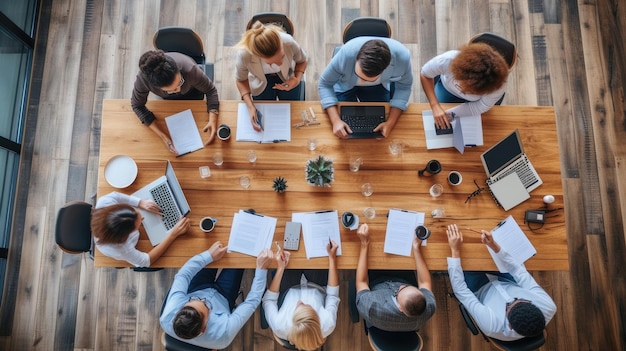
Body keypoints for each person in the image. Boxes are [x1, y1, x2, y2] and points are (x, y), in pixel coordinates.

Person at [445, 224, 557, 341]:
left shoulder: (491, 326)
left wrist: (455, 250)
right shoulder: (547, 306)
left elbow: (461, 291)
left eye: (508, 306)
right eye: (517, 299)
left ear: (510, 326)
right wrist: (494, 246)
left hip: (480, 289)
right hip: (507, 280)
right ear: (533, 305)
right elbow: (518, 271)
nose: (510, 300)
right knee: (489, 251)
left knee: (464, 259)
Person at [160, 242, 273, 349]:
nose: (204, 300)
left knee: (214, 247)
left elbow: (183, 275)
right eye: (206, 306)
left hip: (197, 287)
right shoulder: (224, 332)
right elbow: (252, 301)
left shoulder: (170, 313)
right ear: (204, 329)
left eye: (194, 300)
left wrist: (208, 256)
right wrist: (262, 269)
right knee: (239, 255)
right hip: (224, 296)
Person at [318, 37, 413, 139]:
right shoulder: (346, 53)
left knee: (379, 121)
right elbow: (324, 83)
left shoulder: (402, 59)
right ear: (356, 58)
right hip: (345, 86)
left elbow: (404, 87)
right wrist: (335, 120)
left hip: (378, 87)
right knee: (343, 124)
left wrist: (390, 123)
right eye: (358, 74)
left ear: (385, 69)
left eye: (368, 79)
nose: (362, 82)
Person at [131, 50, 220, 153]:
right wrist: (164, 137)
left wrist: (213, 120)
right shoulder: (143, 79)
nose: (178, 90)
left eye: (180, 82)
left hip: (194, 94)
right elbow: (137, 105)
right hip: (168, 103)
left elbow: (210, 90)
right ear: (157, 87)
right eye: (172, 90)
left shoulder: (190, 69)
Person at [355, 223, 436, 331]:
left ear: (400, 308)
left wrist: (364, 244)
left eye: (399, 291)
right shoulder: (429, 307)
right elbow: (425, 283)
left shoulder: (372, 307)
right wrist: (416, 248)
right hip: (403, 276)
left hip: (377, 281)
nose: (401, 286)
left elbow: (362, 282)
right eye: (408, 287)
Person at [262, 241, 340, 350]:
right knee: (319, 247)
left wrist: (280, 268)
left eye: (298, 307)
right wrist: (332, 259)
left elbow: (269, 299)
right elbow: (332, 295)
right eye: (308, 306)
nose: (300, 302)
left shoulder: (279, 325)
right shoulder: (328, 324)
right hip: (316, 285)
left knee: (286, 245)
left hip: (289, 286)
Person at [235, 21, 308, 131]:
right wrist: (250, 106)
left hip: (288, 77)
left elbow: (302, 60)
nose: (280, 63)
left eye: (282, 57)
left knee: (293, 112)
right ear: (258, 57)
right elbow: (241, 80)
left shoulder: (288, 42)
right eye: (271, 63)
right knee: (264, 112)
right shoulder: (244, 55)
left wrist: (297, 79)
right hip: (260, 81)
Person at [420, 42, 510, 129]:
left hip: (475, 102)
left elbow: (481, 106)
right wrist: (435, 106)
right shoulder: (449, 60)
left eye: (471, 92)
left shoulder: (497, 86)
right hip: (446, 90)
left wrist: (451, 114)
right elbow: (425, 74)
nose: (462, 91)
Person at [91, 192, 189, 267]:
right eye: (138, 223)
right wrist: (173, 234)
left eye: (136, 212)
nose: (142, 218)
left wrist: (140, 203)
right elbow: (146, 261)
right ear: (126, 235)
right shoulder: (122, 249)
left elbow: (116, 196)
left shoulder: (104, 202)